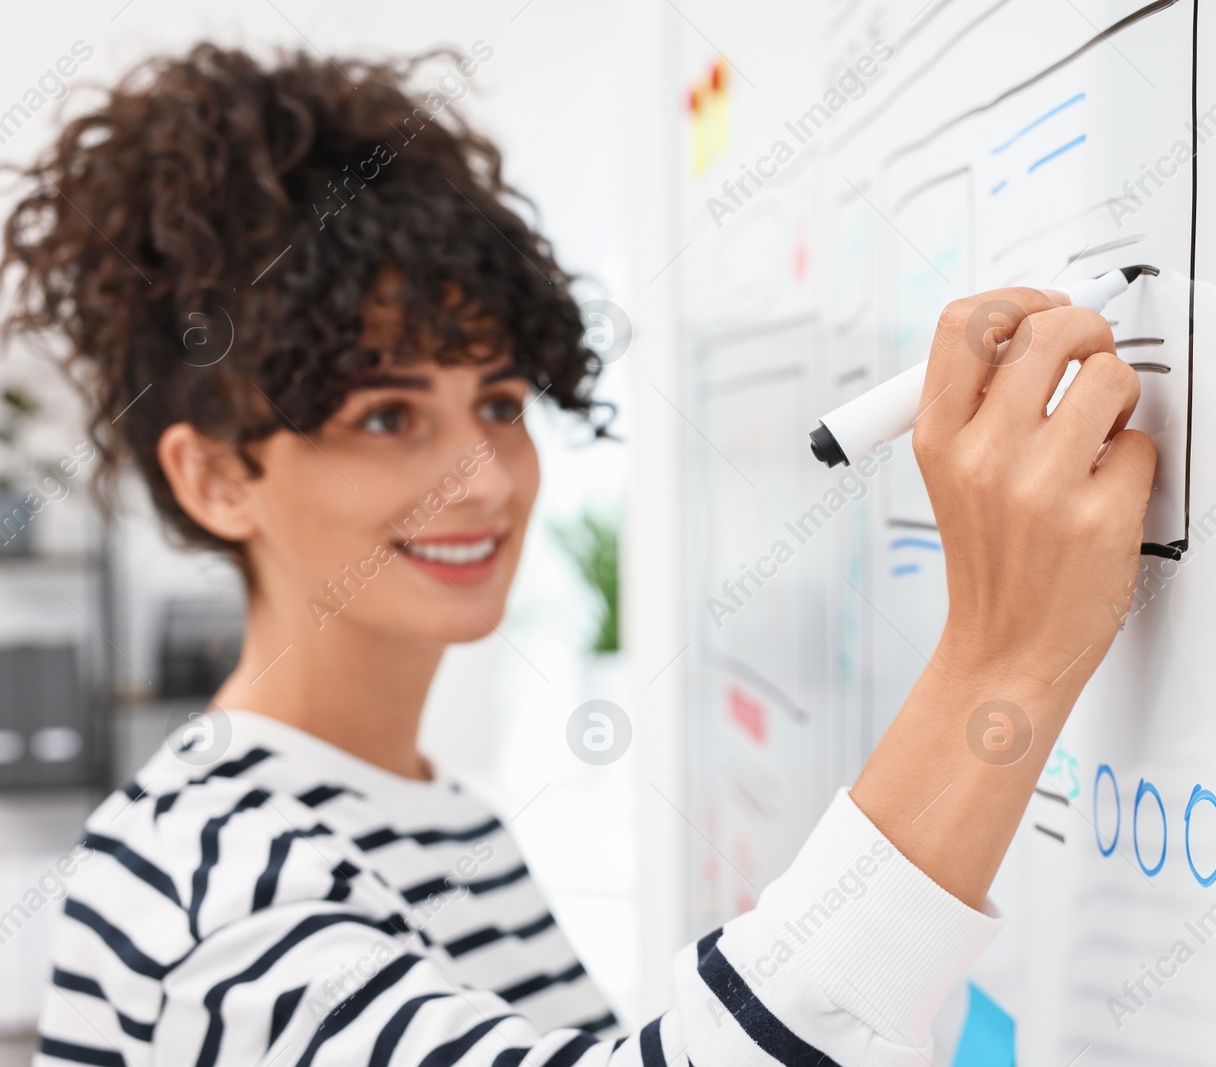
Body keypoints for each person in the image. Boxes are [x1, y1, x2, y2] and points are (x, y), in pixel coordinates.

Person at [3, 42, 1154, 1067]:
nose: (488, 478)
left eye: (499, 401)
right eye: (387, 417)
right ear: (215, 475)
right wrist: (1003, 657)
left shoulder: (423, 813)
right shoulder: (216, 890)